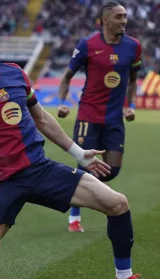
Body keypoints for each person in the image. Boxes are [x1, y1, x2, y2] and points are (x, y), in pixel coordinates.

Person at [0, 13, 160, 279]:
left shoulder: (15, 73)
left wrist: (78, 153)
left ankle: (124, 278)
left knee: (117, 203)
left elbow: (41, 119)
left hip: (40, 170)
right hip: (1, 183)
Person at [57, 2, 141, 232]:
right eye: (119, 16)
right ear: (105, 20)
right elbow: (66, 77)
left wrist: (130, 105)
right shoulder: (88, 45)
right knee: (86, 165)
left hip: (115, 118)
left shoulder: (133, 47)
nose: (124, 20)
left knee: (112, 169)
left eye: (125, 16)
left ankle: (84, 193)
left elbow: (132, 80)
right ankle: (74, 217)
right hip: (88, 116)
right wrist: (62, 104)